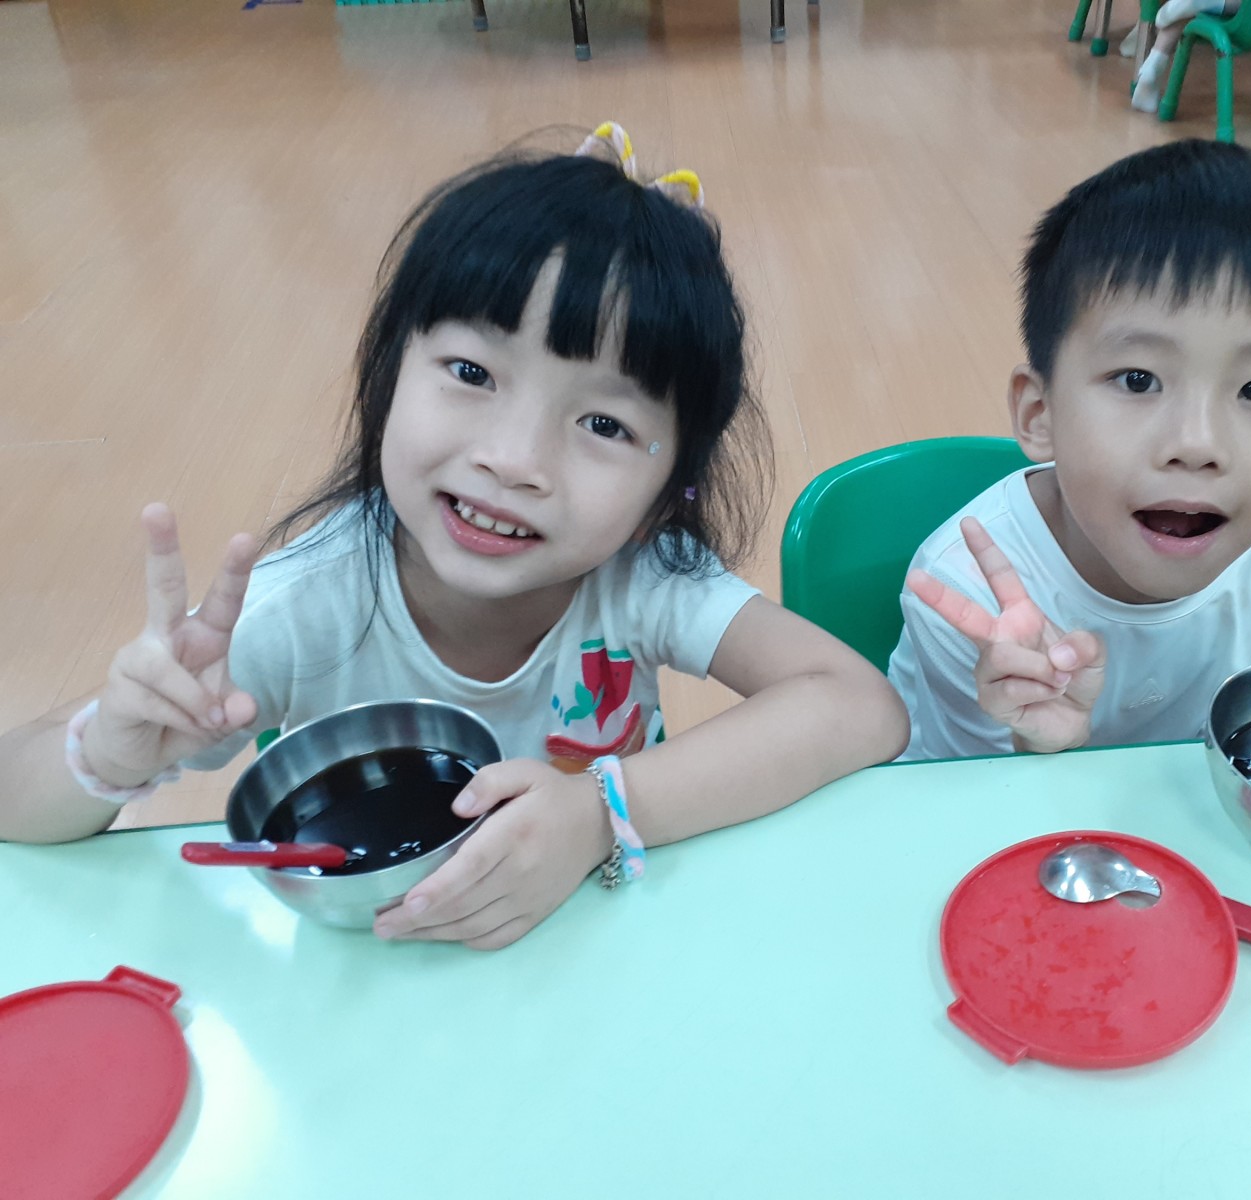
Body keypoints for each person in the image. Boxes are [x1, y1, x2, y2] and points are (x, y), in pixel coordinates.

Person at [0, 124, 910, 948]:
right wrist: (106, 755)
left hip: (591, 939)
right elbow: (13, 798)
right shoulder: (301, 609)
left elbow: (860, 705)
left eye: (603, 424)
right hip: (374, 963)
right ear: (389, 373)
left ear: (666, 493)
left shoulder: (643, 576)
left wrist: (597, 812)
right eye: (472, 372)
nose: (513, 461)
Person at [887, 139, 1251, 762]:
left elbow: (1226, 755)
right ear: (1040, 413)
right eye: (1138, 380)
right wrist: (1035, 744)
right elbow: (966, 808)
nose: (1198, 444)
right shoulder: (968, 595)